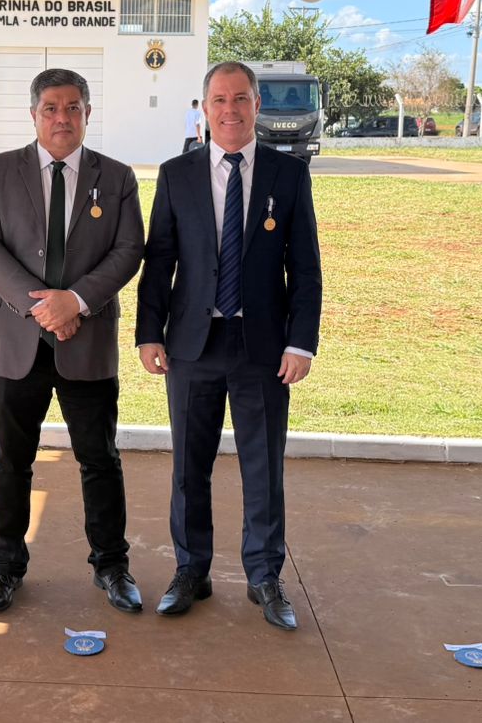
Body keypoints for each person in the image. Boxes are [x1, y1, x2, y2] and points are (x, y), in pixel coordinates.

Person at [135, 60, 322, 631]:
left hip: (262, 348)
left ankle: (265, 575)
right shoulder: (177, 174)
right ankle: (191, 570)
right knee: (189, 468)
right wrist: (149, 331)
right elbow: (159, 260)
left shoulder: (287, 177)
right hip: (192, 344)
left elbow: (305, 269)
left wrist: (301, 344)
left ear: (257, 105)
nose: (230, 110)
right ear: (204, 107)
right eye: (219, 100)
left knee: (263, 466)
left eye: (241, 99)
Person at [0, 68, 146, 615]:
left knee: (100, 459)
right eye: (51, 108)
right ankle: (3, 569)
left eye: (73, 108)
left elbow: (128, 249)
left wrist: (77, 302)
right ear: (34, 114)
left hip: (86, 340)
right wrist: (45, 306)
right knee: (10, 460)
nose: (62, 118)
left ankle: (112, 566)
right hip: (15, 344)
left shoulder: (116, 177)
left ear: (88, 114)